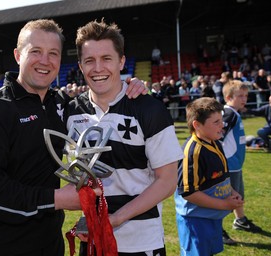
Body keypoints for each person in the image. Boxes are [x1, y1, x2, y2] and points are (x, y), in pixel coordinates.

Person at [0, 19, 147, 256]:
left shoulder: (59, 103)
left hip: (48, 238)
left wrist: (130, 86)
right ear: (18, 55)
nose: (45, 61)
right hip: (1, 243)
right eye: (35, 51)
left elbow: (99, 101)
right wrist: (57, 198)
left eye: (53, 53)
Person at [68, 19, 183, 255]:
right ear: (80, 66)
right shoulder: (70, 112)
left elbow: (168, 181)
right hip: (91, 240)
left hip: (141, 241)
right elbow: (75, 176)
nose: (98, 68)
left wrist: (117, 218)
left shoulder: (150, 109)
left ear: (121, 61)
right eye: (89, 60)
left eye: (106, 58)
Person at [175, 97, 244, 256]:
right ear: (197, 125)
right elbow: (188, 192)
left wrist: (232, 192)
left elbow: (221, 177)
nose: (223, 125)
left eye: (221, 120)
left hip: (211, 216)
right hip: (195, 220)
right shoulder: (192, 152)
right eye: (216, 122)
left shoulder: (215, 142)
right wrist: (224, 205)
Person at [220, 80, 262, 245]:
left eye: (246, 96)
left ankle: (240, 220)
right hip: (229, 165)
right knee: (226, 198)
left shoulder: (234, 113)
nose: (244, 99)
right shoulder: (228, 113)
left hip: (236, 164)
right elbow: (218, 136)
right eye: (240, 96)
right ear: (229, 97)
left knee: (238, 195)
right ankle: (217, 229)